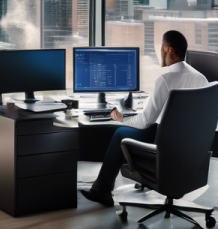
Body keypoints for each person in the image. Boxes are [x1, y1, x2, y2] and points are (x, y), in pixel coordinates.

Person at [80, 30, 210, 207]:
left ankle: (102, 190)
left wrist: (121, 118)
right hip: (187, 150)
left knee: (120, 133)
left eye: (161, 47)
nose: (159, 52)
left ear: (169, 50)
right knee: (141, 128)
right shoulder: (201, 78)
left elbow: (145, 121)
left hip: (164, 146)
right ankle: (101, 188)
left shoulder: (165, 80)